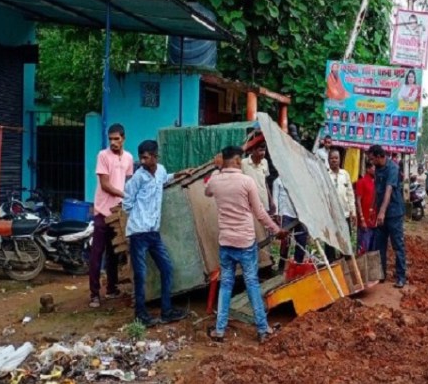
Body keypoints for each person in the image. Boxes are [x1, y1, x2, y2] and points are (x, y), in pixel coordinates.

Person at [205, 146, 287, 343]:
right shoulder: (246, 181)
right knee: (252, 284)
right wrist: (277, 230)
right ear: (237, 161)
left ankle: (219, 330)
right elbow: (259, 213)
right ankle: (262, 329)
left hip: (226, 241)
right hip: (245, 242)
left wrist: (217, 169)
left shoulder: (215, 180)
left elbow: (207, 191)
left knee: (226, 285)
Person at [122, 140, 189, 327]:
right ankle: (140, 315)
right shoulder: (137, 178)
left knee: (167, 268)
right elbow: (127, 203)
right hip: (138, 233)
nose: (143, 161)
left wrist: (179, 174)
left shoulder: (160, 170)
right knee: (141, 275)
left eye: (146, 157)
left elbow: (165, 178)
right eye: (141, 157)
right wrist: (140, 216)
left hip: (153, 232)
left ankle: (166, 310)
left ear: (155, 156)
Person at [89, 123, 134, 309]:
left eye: (117, 139)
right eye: (111, 139)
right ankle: (94, 294)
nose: (114, 142)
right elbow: (105, 185)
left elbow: (129, 181)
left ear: (123, 138)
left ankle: (111, 288)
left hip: (118, 214)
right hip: (102, 212)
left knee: (114, 253)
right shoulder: (103, 155)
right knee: (97, 253)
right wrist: (125, 195)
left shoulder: (129, 157)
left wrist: (128, 199)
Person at [367, 144, 407, 289]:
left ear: (379, 156)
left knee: (398, 245)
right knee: (380, 245)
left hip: (394, 213)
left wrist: (382, 212)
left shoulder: (393, 168)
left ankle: (401, 277)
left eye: (372, 159)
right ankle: (381, 274)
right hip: (380, 213)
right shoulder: (378, 168)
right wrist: (373, 208)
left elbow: (388, 191)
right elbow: (377, 190)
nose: (371, 162)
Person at [242, 139, 274, 267]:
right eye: (260, 149)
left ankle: (267, 261)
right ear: (252, 150)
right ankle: (252, 263)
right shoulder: (244, 164)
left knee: (266, 233)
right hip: (249, 205)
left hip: (263, 203)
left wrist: (271, 201)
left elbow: (265, 183)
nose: (262, 152)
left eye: (264, 149)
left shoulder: (265, 163)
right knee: (251, 233)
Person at [272, 171, 308, 268]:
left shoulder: (300, 180)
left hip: (301, 215)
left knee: (301, 239)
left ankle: (298, 265)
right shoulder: (278, 181)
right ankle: (281, 266)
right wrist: (276, 214)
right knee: (285, 241)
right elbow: (275, 198)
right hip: (286, 213)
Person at [326, 149, 356, 261]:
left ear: (339, 160)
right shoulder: (325, 175)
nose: (334, 160)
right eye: (331, 158)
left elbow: (350, 194)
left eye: (336, 158)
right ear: (328, 160)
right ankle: (331, 262)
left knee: (345, 239)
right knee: (330, 240)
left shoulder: (345, 174)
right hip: (331, 214)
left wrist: (353, 211)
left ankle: (347, 261)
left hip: (345, 214)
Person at [355, 162, 377, 255]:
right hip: (365, 221)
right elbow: (358, 201)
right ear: (368, 169)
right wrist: (362, 218)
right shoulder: (361, 182)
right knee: (363, 248)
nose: (375, 170)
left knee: (373, 249)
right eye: (374, 168)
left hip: (374, 221)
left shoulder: (376, 182)